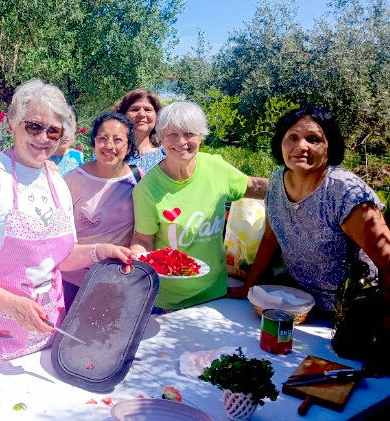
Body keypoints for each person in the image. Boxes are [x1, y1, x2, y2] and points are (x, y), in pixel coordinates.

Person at [0, 79, 132, 366]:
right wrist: (14, 306)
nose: (44, 137)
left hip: (42, 336)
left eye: (53, 130)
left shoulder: (57, 182)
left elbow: (56, 259)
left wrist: (98, 251)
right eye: (34, 126)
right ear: (13, 123)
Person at [228, 106, 390, 330]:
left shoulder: (345, 194)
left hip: (351, 314)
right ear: (281, 144)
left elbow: (387, 263)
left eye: (313, 139)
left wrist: (384, 331)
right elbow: (269, 238)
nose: (301, 146)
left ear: (329, 147)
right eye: (292, 137)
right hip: (297, 303)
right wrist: (248, 286)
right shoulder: (276, 182)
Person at [130, 101, 268, 313]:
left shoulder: (216, 167)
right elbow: (142, 240)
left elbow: (255, 186)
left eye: (189, 133)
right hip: (167, 303)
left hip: (216, 294)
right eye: (172, 134)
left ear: (201, 136)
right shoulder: (147, 189)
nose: (181, 141)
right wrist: (135, 259)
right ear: (161, 137)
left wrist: (301, 184)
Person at [62, 112, 142, 310]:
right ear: (94, 143)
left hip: (119, 280)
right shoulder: (73, 179)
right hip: (74, 281)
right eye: (103, 139)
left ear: (129, 146)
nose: (109, 146)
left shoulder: (138, 178)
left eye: (118, 140)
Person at [112, 88, 166, 173]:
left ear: (157, 116)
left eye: (148, 110)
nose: (141, 114)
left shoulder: (168, 154)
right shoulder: (108, 151)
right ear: (122, 115)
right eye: (134, 109)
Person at [50, 107, 84, 175]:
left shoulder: (78, 156)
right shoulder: (43, 156)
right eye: (62, 129)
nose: (66, 135)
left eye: (70, 129)